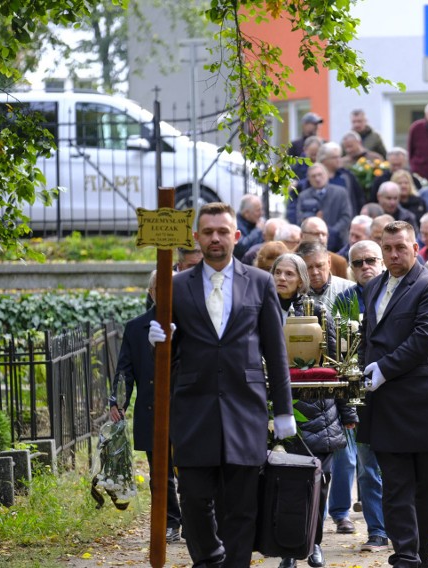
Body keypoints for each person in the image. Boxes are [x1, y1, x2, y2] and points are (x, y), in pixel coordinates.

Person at [148, 202, 296, 568]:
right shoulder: (176, 286)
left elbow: (276, 352)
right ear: (196, 237)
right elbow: (168, 354)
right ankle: (209, 560)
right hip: (194, 411)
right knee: (195, 501)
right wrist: (158, 339)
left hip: (244, 410)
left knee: (241, 506)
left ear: (237, 236)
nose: (216, 238)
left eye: (223, 232)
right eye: (208, 232)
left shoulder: (260, 282)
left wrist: (284, 410)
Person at [357, 220, 428, 568]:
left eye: (401, 247)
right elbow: (369, 340)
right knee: (395, 489)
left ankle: (421, 552)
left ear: (416, 248)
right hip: (384, 406)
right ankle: (405, 557)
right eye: (388, 248)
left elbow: (426, 337)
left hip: (424, 404)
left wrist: (383, 369)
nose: (394, 254)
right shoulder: (372, 288)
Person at [271, 253, 356, 568]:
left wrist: (347, 413)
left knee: (317, 485)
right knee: (282, 486)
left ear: (301, 279)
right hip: (275, 410)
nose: (282, 278)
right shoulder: (260, 310)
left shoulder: (318, 312)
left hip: (318, 410)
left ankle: (314, 543)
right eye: (277, 272)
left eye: (289, 274)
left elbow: (338, 366)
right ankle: (288, 550)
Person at [109, 270, 183, 544]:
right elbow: (124, 370)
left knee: (190, 470)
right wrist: (117, 401)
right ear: (151, 292)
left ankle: (196, 520)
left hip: (188, 408)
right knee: (160, 474)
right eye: (159, 288)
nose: (165, 293)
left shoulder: (191, 322)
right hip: (152, 409)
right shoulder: (135, 326)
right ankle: (171, 523)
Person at [329, 240, 389, 553]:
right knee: (366, 466)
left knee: (398, 464)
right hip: (360, 393)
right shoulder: (345, 300)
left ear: (382, 261)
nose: (365, 267)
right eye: (358, 262)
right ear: (351, 268)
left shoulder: (396, 293)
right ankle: (377, 531)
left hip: (395, 390)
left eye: (371, 260)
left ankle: (403, 527)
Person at [295, 163, 352, 253]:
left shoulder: (341, 192)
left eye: (320, 175)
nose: (317, 179)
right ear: (309, 179)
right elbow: (300, 220)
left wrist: (331, 232)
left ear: (327, 175)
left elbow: (346, 217)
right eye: (313, 176)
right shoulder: (303, 196)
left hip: (339, 243)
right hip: (312, 245)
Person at [296, 240, 355, 311]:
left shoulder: (349, 289)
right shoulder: (295, 293)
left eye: (319, 266)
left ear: (329, 262)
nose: (315, 272)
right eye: (309, 267)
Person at [234, 194, 264, 260]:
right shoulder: (234, 224)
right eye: (258, 210)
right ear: (246, 214)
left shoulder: (256, 222)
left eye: (261, 209)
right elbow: (242, 247)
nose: (261, 213)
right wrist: (257, 230)